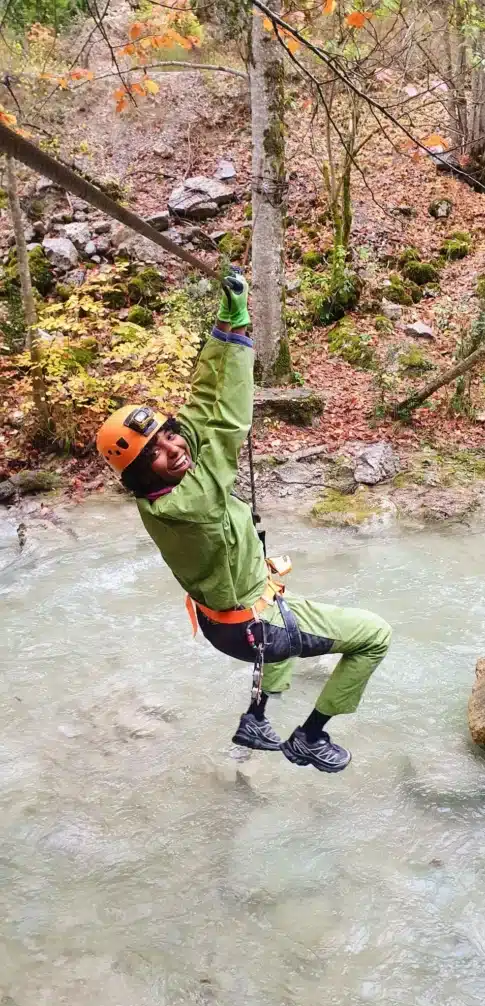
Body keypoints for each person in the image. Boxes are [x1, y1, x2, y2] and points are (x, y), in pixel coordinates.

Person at [96, 271, 391, 772]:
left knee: (285, 622)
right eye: (156, 454)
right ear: (141, 475)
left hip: (232, 621)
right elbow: (229, 422)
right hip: (254, 627)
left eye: (169, 436)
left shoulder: (160, 495)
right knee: (375, 635)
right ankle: (311, 736)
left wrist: (225, 329)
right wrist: (241, 336)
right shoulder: (191, 501)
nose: (174, 449)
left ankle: (256, 719)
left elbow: (199, 408)